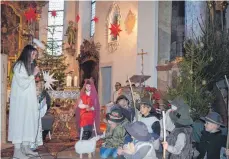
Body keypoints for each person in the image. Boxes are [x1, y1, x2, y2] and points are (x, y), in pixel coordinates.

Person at [8, 45, 40, 159]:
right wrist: (33, 74)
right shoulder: (19, 65)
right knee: (20, 123)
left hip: (28, 102)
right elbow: (22, 83)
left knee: (28, 122)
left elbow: (29, 84)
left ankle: (25, 147)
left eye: (35, 55)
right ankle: (17, 151)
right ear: (27, 53)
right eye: (33, 54)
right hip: (20, 103)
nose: (34, 57)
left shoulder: (27, 66)